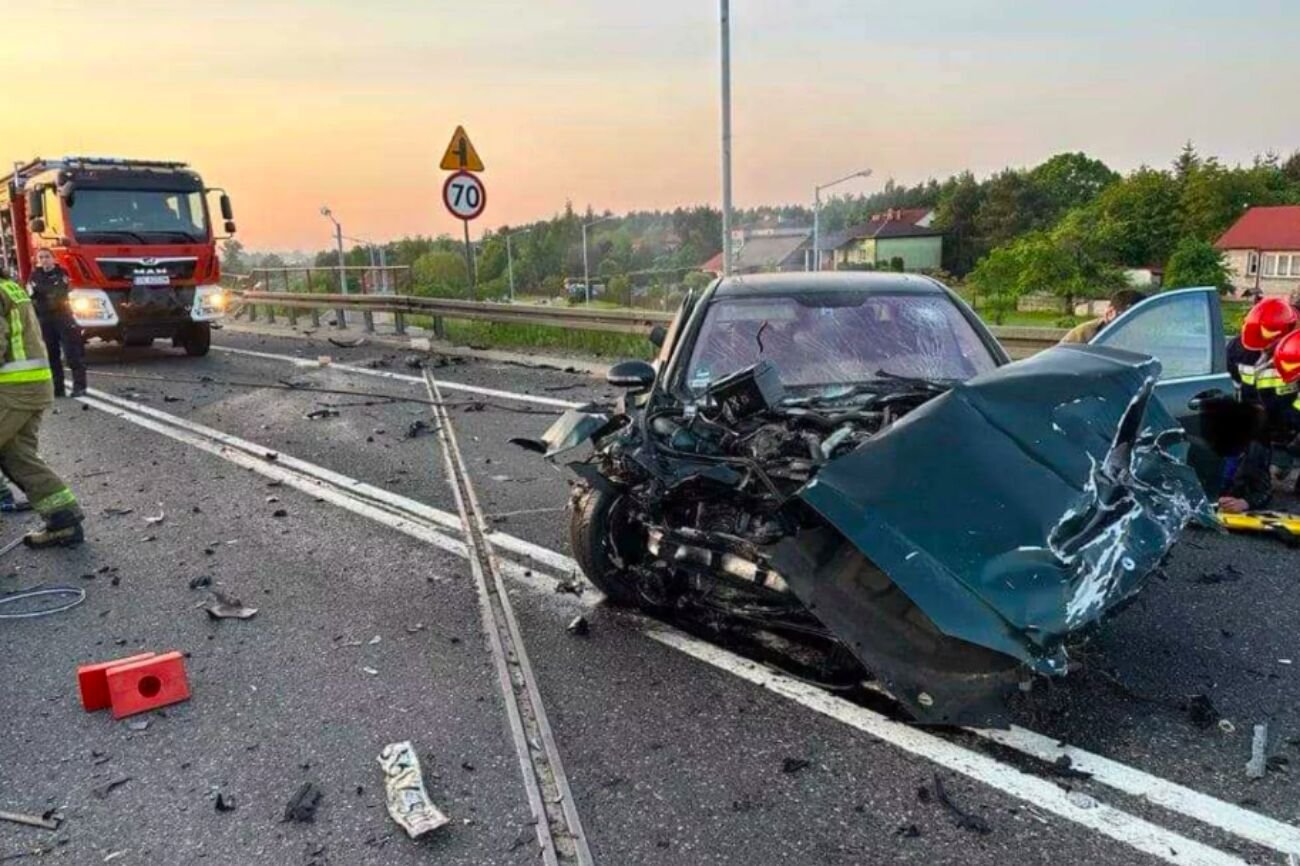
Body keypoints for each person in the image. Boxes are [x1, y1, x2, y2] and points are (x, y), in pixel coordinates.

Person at [0, 263, 84, 547]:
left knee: (17, 456)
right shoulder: (10, 287)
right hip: (31, 387)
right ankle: (64, 522)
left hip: (13, 390)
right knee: (17, 457)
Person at [27, 248, 86, 398]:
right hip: (45, 318)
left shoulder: (62, 273)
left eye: (47, 257)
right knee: (51, 354)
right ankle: (57, 388)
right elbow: (32, 293)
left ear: (53, 259)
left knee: (72, 353)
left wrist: (43, 291)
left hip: (63, 317)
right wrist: (46, 291)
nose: (44, 260)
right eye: (41, 257)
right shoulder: (34, 275)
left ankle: (80, 386)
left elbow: (59, 291)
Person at [1058, 289, 1146, 344]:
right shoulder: (1083, 334)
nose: (1136, 325)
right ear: (1110, 313)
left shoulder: (1143, 339)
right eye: (1130, 318)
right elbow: (1059, 360)